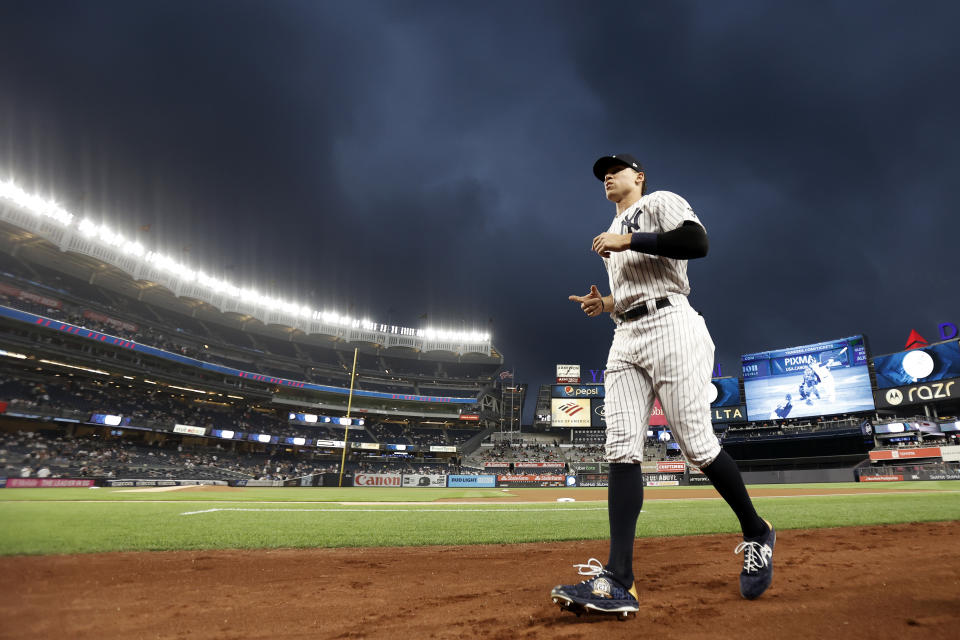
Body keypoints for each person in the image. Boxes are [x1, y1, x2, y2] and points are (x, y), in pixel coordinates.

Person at [550, 154, 776, 618]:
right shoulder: (610, 230)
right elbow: (637, 288)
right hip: (625, 336)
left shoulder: (658, 202)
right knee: (620, 448)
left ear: (640, 176)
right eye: (602, 175)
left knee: (696, 445)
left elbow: (697, 242)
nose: (608, 176)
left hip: (673, 324)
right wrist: (607, 303)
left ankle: (756, 530)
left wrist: (628, 237)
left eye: (616, 170)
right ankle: (618, 580)